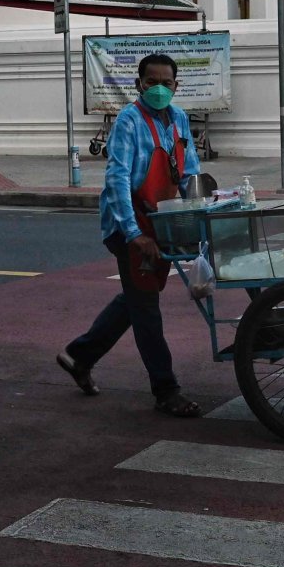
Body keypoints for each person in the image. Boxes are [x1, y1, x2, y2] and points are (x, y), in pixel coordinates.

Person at [57, 52, 202, 417]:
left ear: (175, 86)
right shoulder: (128, 121)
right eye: (150, 82)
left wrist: (201, 214)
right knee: (147, 308)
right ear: (139, 85)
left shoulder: (180, 119)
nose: (158, 89)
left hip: (161, 221)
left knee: (137, 298)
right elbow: (117, 179)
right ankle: (166, 389)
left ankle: (79, 355)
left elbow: (189, 175)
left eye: (165, 83)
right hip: (128, 225)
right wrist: (134, 233)